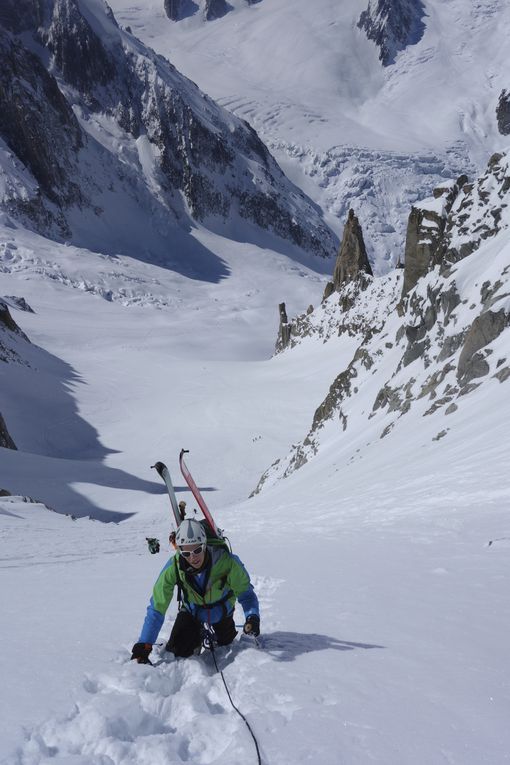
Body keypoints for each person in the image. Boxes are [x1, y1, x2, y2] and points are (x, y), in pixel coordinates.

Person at [131, 519, 260, 664]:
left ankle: (215, 633)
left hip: (222, 611)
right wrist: (145, 643)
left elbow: (246, 594)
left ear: (205, 544)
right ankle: (195, 636)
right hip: (193, 611)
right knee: (177, 652)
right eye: (186, 552)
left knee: (226, 642)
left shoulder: (227, 562)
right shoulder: (174, 566)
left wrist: (252, 617)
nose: (193, 557)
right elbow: (157, 606)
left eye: (197, 550)